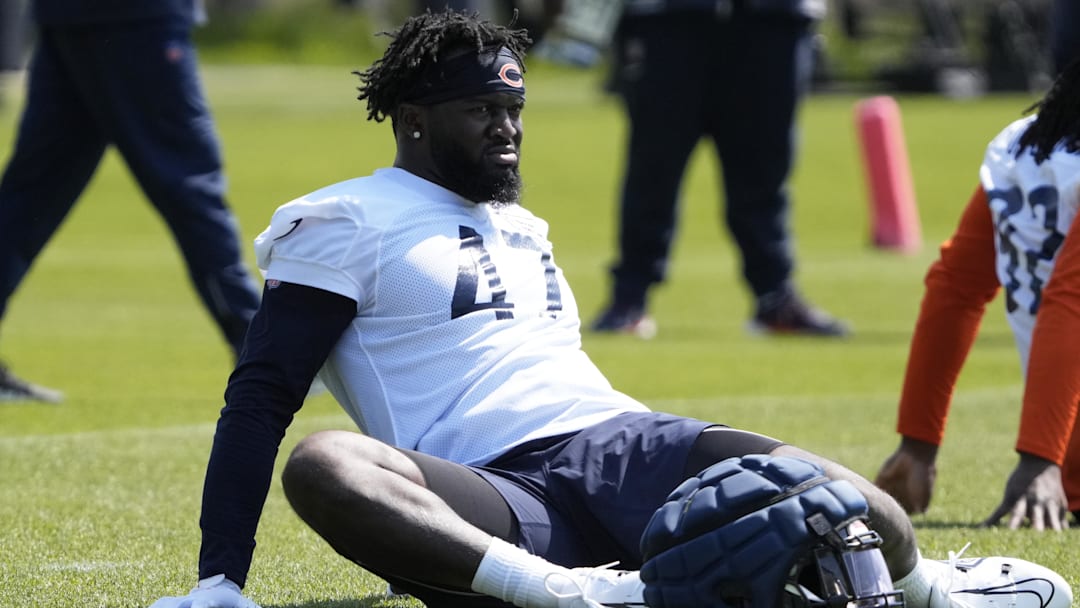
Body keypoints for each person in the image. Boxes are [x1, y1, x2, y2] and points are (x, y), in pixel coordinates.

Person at [148, 10, 1071, 608]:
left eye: (515, 110)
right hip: (489, 490)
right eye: (481, 112)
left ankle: (933, 593)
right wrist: (219, 581)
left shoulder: (525, 225)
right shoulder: (344, 216)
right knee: (325, 464)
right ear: (415, 118)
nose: (506, 132)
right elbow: (262, 395)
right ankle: (566, 595)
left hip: (617, 441)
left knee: (856, 508)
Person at [0, 0, 261, 402]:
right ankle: (261, 347)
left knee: (30, 196)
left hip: (68, 16)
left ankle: (257, 339)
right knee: (189, 183)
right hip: (136, 17)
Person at [875, 58, 1080, 531]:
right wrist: (1038, 459)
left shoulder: (1028, 147)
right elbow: (1070, 303)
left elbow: (954, 290)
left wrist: (919, 441)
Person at [589, 0, 849, 339]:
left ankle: (775, 295)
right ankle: (629, 297)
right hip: (670, 17)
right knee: (654, 165)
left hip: (774, 17)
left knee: (766, 169)